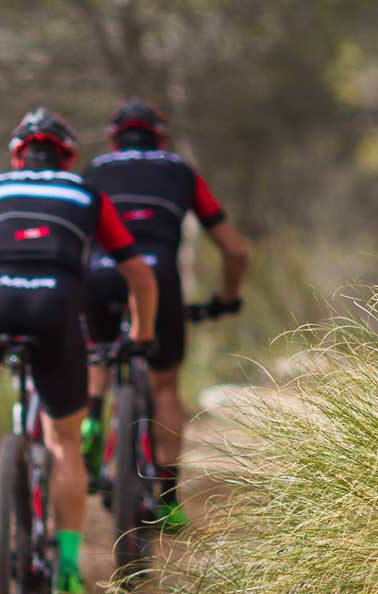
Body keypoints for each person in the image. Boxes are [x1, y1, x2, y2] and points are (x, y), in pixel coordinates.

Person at [0, 106, 157, 594]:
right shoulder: (85, 193)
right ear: (68, 155)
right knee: (64, 445)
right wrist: (141, 336)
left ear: (18, 156)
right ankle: (70, 572)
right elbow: (140, 276)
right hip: (57, 309)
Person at [81, 99, 250, 533]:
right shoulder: (180, 171)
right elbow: (235, 249)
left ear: (113, 138)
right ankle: (169, 499)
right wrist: (227, 297)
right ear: (161, 137)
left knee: (95, 352)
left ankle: (91, 420)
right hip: (158, 281)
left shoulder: (95, 170)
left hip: (100, 276)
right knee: (165, 386)